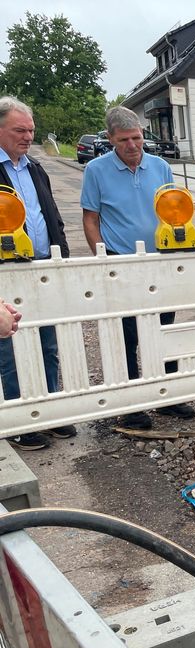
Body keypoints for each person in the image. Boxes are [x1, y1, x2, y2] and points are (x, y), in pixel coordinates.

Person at [81, 106, 195, 430]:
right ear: (110, 139)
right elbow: (90, 219)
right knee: (127, 334)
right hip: (122, 261)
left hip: (160, 259)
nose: (132, 145)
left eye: (136, 138)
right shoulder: (96, 170)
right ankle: (132, 405)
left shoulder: (160, 166)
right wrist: (103, 257)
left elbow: (174, 210)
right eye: (123, 140)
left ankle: (167, 396)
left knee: (163, 330)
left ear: (142, 134)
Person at [0, 96, 74, 450]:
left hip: (43, 266)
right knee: (10, 345)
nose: (28, 137)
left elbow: (51, 214)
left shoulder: (34, 168)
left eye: (31, 130)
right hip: (7, 271)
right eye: (20, 130)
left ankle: (49, 411)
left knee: (47, 342)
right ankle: (20, 420)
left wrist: (62, 255)